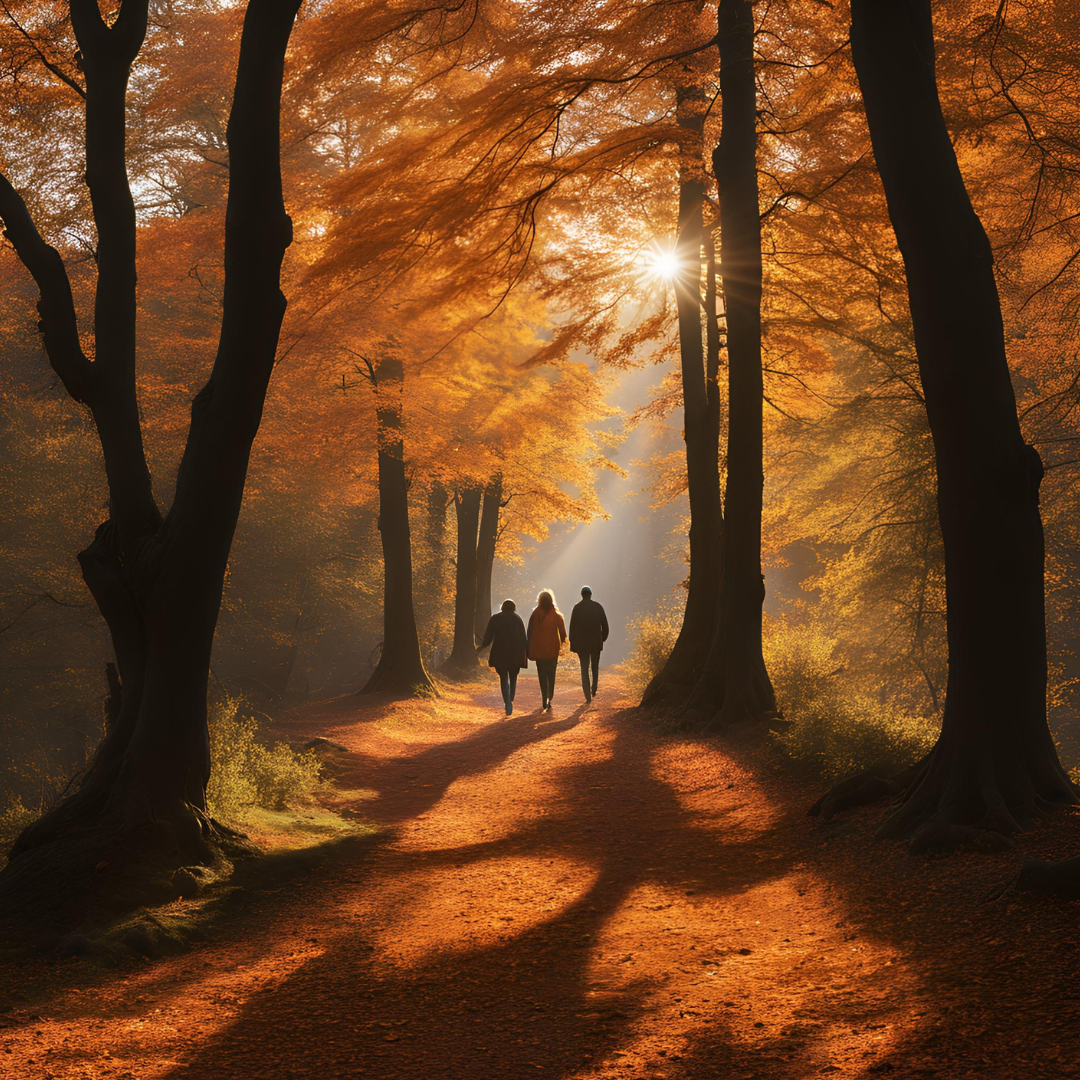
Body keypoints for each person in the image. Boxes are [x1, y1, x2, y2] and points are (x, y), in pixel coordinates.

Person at [478, 599, 529, 716]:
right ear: (514, 608)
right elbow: (523, 638)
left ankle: (507, 702)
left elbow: (489, 636)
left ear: (502, 607)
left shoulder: (495, 618)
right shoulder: (517, 619)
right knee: (513, 677)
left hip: (500, 653)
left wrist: (482, 647)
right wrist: (527, 652)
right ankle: (511, 699)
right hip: (515, 654)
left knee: (503, 678)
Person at [527, 589, 566, 711]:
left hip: (539, 651)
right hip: (552, 651)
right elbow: (563, 634)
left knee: (542, 676)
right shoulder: (556, 615)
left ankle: (544, 698)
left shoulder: (534, 614)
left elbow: (529, 632)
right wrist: (564, 646)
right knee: (551, 675)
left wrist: (529, 647)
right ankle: (550, 696)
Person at [569, 586, 610, 703]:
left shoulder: (577, 608)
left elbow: (572, 627)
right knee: (594, 666)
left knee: (584, 668)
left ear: (582, 595)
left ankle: (587, 694)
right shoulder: (597, 607)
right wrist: (602, 639)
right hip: (595, 642)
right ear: (590, 594)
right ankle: (594, 688)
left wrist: (573, 642)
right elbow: (605, 625)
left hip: (582, 644)